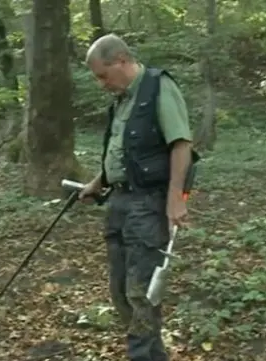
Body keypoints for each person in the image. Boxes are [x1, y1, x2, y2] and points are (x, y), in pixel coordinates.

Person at [79, 33, 198, 361]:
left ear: (121, 60)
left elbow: (181, 143)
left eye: (103, 75)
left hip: (148, 203)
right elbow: (125, 152)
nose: (102, 83)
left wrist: (176, 198)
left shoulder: (158, 86)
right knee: (119, 291)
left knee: (141, 292)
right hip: (119, 202)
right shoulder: (122, 100)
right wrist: (97, 182)